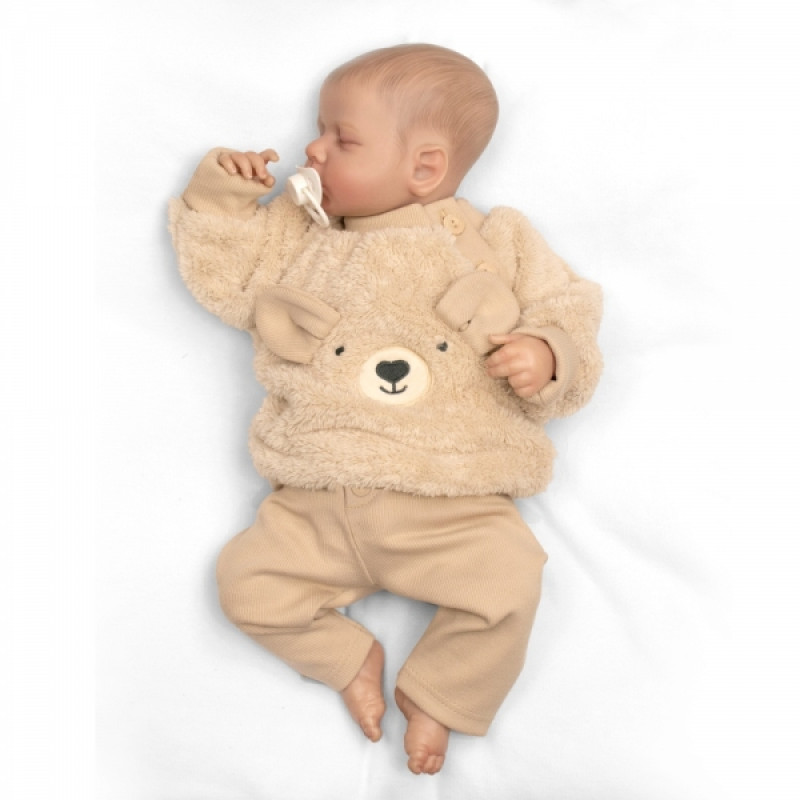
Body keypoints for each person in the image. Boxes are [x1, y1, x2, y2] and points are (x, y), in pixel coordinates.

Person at [169, 43, 603, 775]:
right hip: (316, 500)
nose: (313, 148)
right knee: (246, 586)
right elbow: (224, 276)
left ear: (425, 167)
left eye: (342, 139)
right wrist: (220, 199)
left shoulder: (495, 242)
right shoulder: (299, 236)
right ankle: (346, 658)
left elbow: (570, 309)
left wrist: (549, 354)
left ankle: (440, 694)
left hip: (455, 501)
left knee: (509, 584)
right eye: (319, 130)